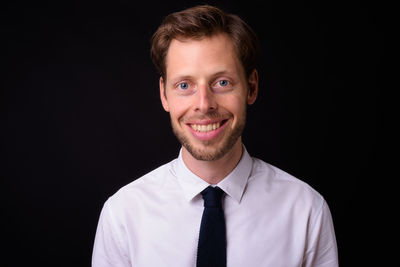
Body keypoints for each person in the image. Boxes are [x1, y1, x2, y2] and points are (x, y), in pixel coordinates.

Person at [92, 5, 338, 267]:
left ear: (251, 87)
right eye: (184, 85)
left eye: (222, 82)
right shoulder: (122, 215)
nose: (203, 104)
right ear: (165, 94)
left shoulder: (306, 211)